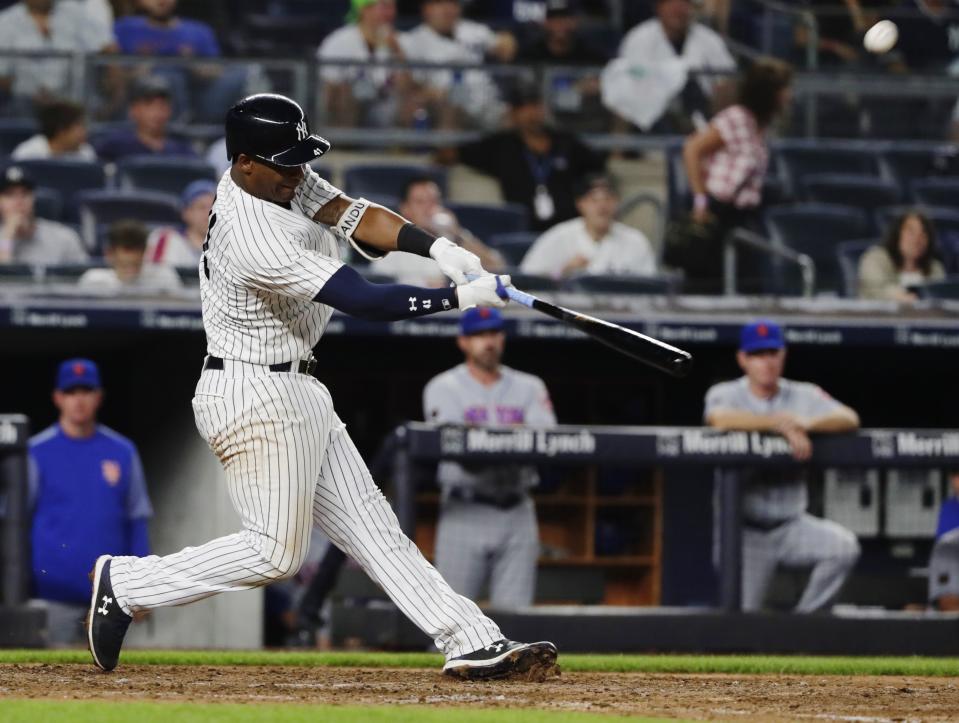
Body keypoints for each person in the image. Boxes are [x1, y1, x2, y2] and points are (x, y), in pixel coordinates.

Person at [85, 92, 558, 681]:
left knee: (375, 529)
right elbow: (365, 300)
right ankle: (128, 583)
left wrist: (438, 246)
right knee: (275, 552)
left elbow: (353, 215)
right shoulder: (253, 232)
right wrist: (457, 297)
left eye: (297, 159)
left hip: (297, 385)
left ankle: (471, 638)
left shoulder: (276, 177)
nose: (296, 173)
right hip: (252, 393)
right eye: (283, 162)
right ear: (244, 162)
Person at [704, 320, 861, 613]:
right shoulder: (726, 393)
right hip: (744, 533)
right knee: (741, 622)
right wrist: (779, 424)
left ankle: (804, 627)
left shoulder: (804, 395)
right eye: (757, 354)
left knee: (843, 548)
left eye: (772, 353)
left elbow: (850, 418)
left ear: (783, 355)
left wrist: (808, 423)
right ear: (743, 359)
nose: (766, 362)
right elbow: (720, 419)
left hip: (791, 526)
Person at [423, 307, 556, 609]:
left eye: (494, 333)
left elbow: (545, 440)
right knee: (453, 616)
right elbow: (459, 448)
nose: (489, 341)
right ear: (463, 342)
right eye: (479, 335)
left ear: (503, 338)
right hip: (464, 509)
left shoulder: (530, 386)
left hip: (517, 509)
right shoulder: (443, 387)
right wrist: (513, 433)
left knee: (514, 619)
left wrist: (484, 434)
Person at [29, 358, 152, 645]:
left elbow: (137, 519)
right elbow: (15, 522)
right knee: (49, 679)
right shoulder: (36, 451)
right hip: (50, 596)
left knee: (115, 679)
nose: (79, 400)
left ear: (99, 397)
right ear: (58, 398)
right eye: (71, 392)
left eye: (86, 391)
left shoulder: (122, 451)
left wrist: (143, 587)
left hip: (111, 597)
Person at [679, 58, 793, 293]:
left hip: (743, 215)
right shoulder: (737, 117)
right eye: (783, 89)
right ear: (767, 92)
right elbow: (692, 149)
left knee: (747, 283)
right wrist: (700, 201)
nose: (788, 95)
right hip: (716, 211)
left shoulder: (761, 126)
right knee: (708, 283)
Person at [436, 83, 606, 232]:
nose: (532, 113)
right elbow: (450, 154)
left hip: (567, 229)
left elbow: (599, 166)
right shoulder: (501, 145)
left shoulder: (565, 143)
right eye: (524, 108)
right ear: (513, 113)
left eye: (536, 106)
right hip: (521, 228)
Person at [113, 0, 247, 124]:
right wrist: (138, 70)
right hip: (140, 99)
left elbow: (217, 71)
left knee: (246, 71)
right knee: (167, 76)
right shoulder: (124, 28)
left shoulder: (199, 30)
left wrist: (192, 64)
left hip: (196, 98)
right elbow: (109, 74)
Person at [613, 0, 736, 133]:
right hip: (654, 114)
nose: (678, 9)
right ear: (659, 8)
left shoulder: (708, 38)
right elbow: (627, 85)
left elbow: (728, 76)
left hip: (702, 111)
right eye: (671, 3)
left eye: (684, 3)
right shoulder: (639, 38)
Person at [399, 0, 516, 128]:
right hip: (447, 106)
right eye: (440, 4)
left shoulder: (471, 30)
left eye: (453, 4)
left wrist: (507, 42)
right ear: (426, 9)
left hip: (488, 103)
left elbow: (507, 45)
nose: (448, 9)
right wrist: (433, 93)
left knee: (520, 116)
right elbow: (413, 89)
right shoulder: (414, 41)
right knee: (450, 109)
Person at [374, 175, 505, 285]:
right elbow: (380, 286)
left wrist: (458, 233)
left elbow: (498, 267)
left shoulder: (455, 236)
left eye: (434, 201)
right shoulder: (391, 246)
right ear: (405, 209)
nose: (429, 208)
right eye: (420, 202)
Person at [520, 173, 656, 279]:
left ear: (616, 202)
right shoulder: (558, 236)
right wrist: (561, 273)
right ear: (580, 203)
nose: (602, 206)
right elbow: (528, 280)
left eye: (608, 199)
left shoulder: (635, 241)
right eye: (594, 200)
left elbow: (650, 286)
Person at [0, 0, 116, 112]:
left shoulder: (74, 13)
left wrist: (112, 102)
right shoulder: (5, 21)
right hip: (25, 106)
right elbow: (2, 75)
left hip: (75, 105)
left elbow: (108, 48)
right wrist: (25, 89)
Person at [317, 0, 410, 128]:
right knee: (344, 93)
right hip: (348, 110)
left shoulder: (400, 41)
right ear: (364, 9)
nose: (391, 12)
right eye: (384, 7)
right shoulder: (338, 41)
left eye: (393, 7)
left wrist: (397, 51)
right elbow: (327, 85)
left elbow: (408, 87)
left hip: (386, 110)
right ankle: (343, 144)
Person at [93, 76, 196, 163]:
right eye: (149, 104)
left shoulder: (183, 150)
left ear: (170, 110)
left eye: (162, 105)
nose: (157, 112)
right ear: (133, 110)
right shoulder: (114, 147)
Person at [0, 165, 88, 265]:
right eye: (9, 195)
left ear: (34, 199)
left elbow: (84, 278)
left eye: (25, 194)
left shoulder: (64, 237)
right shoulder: (4, 238)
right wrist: (7, 237)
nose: (19, 201)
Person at [857, 211, 946, 303]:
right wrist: (899, 296)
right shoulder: (875, 258)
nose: (917, 239)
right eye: (911, 232)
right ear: (897, 234)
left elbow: (940, 299)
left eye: (923, 234)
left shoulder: (935, 268)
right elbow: (873, 290)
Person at [78, 219, 182, 293]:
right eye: (124, 265)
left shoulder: (164, 278)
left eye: (135, 265)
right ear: (109, 254)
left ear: (145, 251)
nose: (130, 271)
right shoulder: (94, 281)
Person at [146, 179, 216, 268]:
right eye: (201, 207)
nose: (209, 213)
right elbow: (153, 277)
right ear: (186, 213)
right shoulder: (166, 239)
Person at [518, 0, 608, 66]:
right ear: (545, 23)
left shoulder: (590, 57)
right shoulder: (530, 56)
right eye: (554, 18)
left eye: (564, 17)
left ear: (574, 21)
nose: (560, 23)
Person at [12, 99, 97, 161]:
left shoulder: (86, 153)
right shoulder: (28, 153)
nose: (85, 132)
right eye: (79, 127)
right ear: (62, 131)